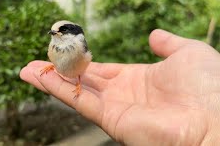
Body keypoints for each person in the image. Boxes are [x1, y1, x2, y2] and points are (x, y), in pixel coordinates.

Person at [20, 29, 220, 145]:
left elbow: (83, 63)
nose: (55, 34)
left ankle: (79, 84)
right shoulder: (53, 46)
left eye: (61, 31)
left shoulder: (80, 46)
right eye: (54, 32)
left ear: (74, 35)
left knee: (77, 77)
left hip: (78, 72)